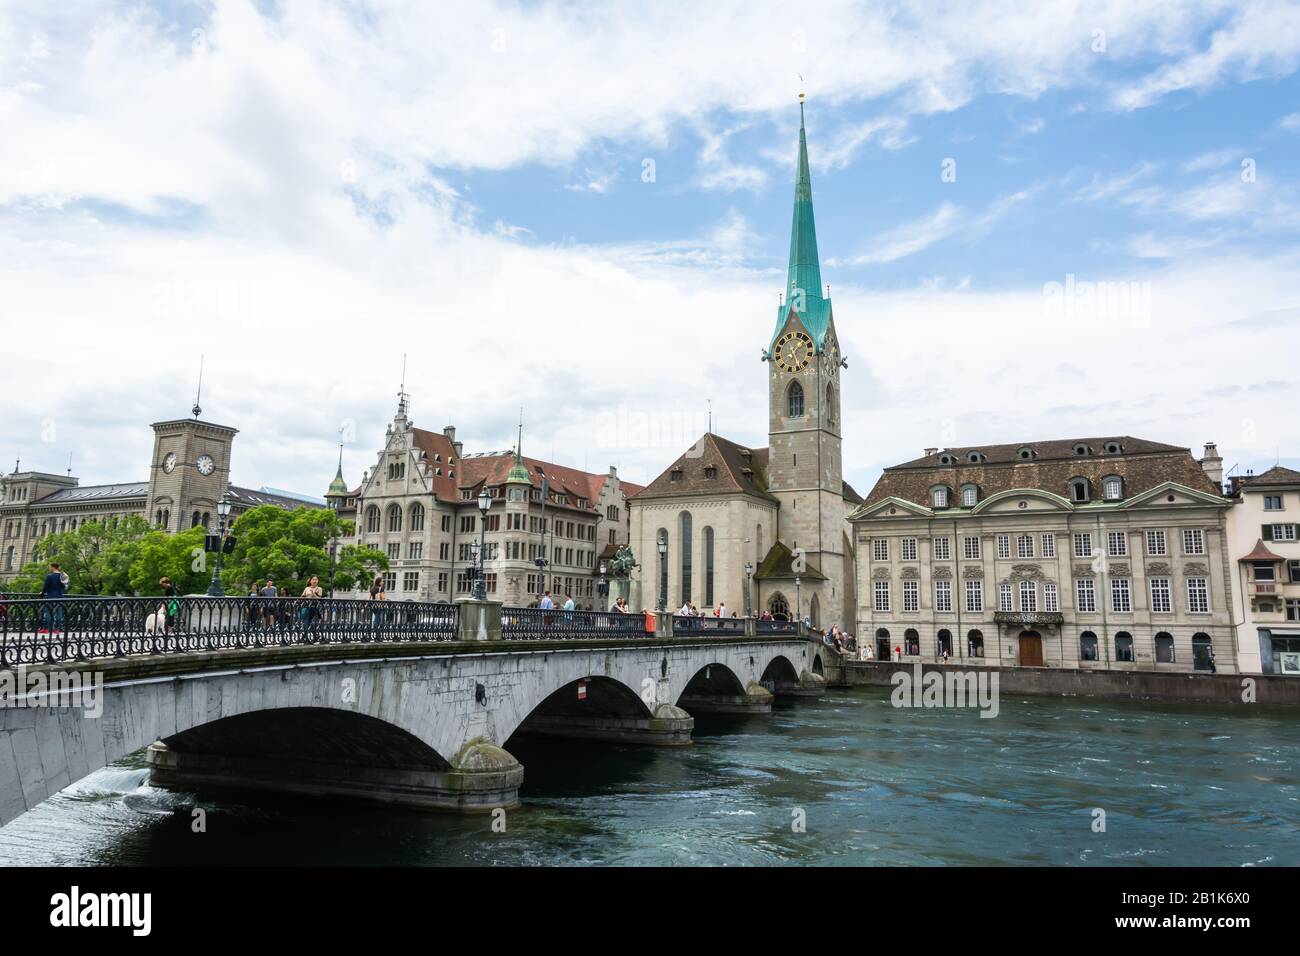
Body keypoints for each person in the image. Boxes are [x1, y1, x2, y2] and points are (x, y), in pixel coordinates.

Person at [39, 562, 66, 633]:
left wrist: (42, 594)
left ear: (53, 567)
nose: (49, 568)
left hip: (51, 596)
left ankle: (46, 629)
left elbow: (45, 587)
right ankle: (57, 629)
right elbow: (64, 586)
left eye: (50, 567)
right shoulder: (62, 575)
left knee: (48, 612)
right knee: (59, 613)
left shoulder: (49, 576)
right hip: (60, 596)